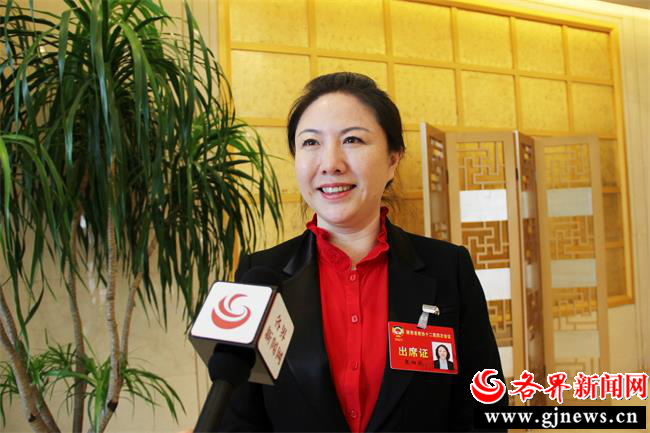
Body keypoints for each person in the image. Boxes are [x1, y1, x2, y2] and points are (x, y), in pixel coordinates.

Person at [218, 72, 507, 432]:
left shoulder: (449, 269)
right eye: (311, 143)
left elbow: (483, 410)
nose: (331, 163)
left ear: (393, 159)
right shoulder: (260, 275)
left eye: (352, 139)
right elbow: (239, 421)